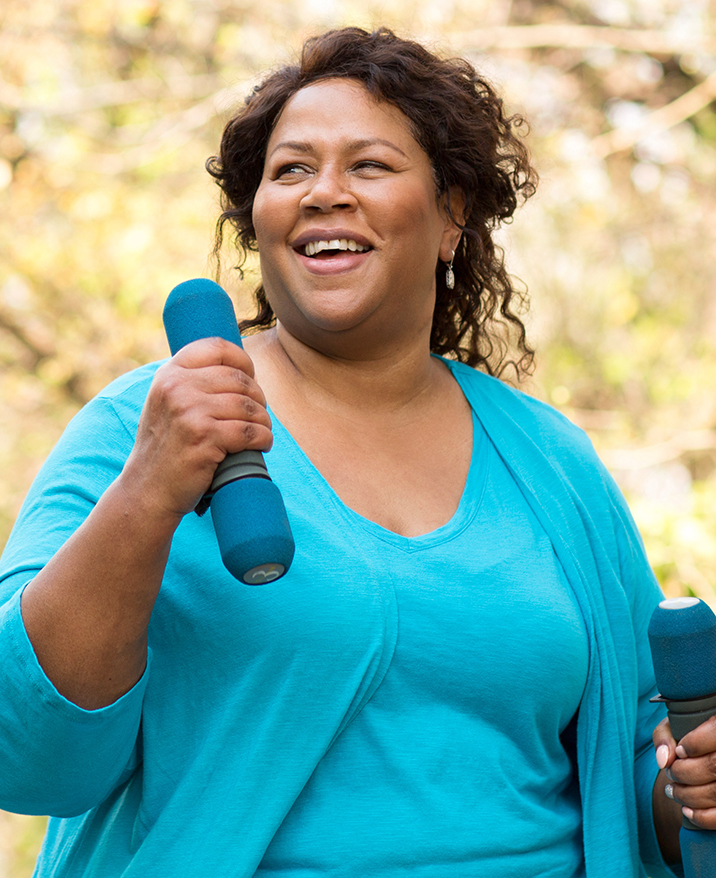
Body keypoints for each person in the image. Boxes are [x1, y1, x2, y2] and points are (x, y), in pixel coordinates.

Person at [0, 25, 709, 878]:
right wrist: (147, 493)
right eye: (291, 169)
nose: (323, 193)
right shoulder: (141, 429)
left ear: (454, 216)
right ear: (255, 220)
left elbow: (636, 750)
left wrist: (690, 789)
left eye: (368, 165)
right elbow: (25, 753)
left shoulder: (550, 460)